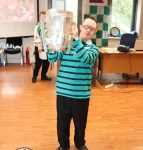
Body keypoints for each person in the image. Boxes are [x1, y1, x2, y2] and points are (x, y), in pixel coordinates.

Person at [47, 17, 99, 150]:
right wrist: (52, 43)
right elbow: (52, 58)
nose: (88, 30)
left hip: (81, 95)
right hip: (63, 92)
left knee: (80, 123)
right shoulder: (67, 45)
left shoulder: (93, 49)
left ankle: (80, 143)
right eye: (86, 26)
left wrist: (76, 40)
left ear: (95, 32)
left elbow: (85, 58)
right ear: (81, 27)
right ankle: (63, 145)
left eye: (91, 28)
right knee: (62, 123)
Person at [32, 11, 51, 83]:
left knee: (46, 63)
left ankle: (43, 76)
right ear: (39, 18)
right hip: (39, 47)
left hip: (47, 48)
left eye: (45, 17)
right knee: (38, 64)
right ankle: (34, 76)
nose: (44, 18)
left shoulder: (48, 27)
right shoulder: (37, 27)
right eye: (42, 17)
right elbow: (36, 38)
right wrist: (39, 46)